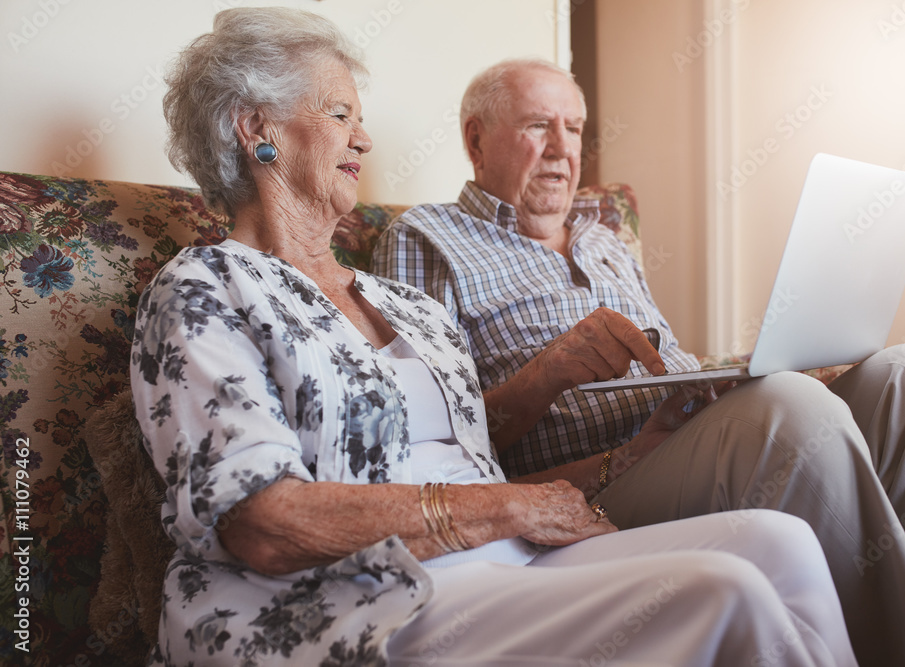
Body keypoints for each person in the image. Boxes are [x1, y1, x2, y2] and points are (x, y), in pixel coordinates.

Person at [130, 8, 860, 666]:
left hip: (497, 558)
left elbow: (489, 476)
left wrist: (636, 452)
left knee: (781, 543)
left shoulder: (404, 304)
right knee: (723, 586)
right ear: (255, 127)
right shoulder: (205, 286)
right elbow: (260, 521)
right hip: (354, 597)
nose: (365, 136)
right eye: (339, 111)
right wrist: (503, 508)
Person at [372, 58, 905, 667]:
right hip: (592, 482)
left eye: (575, 128)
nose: (564, 149)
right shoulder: (426, 238)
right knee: (786, 411)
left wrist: (750, 372)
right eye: (539, 125)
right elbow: (424, 439)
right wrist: (548, 374)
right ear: (475, 139)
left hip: (687, 435)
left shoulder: (604, 237)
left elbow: (664, 359)